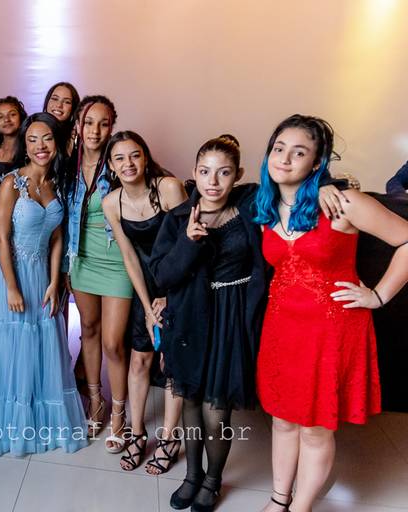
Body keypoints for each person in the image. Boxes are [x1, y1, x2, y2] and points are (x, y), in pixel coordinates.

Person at [255, 115, 408, 512]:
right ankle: (278, 500)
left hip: (330, 330)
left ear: (316, 161)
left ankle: (301, 506)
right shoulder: (264, 204)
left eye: (299, 152)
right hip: (281, 329)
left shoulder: (344, 203)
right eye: (279, 149)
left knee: (314, 429)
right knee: (282, 420)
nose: (285, 159)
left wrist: (379, 295)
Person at [150, 135, 267, 511]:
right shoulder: (178, 218)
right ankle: (192, 475)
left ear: (238, 175)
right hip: (190, 319)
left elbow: (293, 181)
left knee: (217, 410)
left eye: (223, 172)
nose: (213, 181)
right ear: (194, 173)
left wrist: (328, 185)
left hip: (231, 319)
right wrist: (188, 242)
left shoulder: (249, 209)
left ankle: (213, 480)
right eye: (205, 171)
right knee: (190, 400)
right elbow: (162, 276)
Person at [0, 112, 88, 456]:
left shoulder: (57, 183)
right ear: (25, 144)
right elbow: (1, 238)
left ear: (57, 143)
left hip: (41, 273)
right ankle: (12, 426)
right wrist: (11, 286)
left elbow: (57, 237)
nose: (41, 146)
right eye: (33, 139)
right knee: (14, 342)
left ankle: (41, 421)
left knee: (42, 340)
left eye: (47, 138)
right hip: (10, 271)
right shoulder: (11, 183)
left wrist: (54, 282)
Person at [100, 131, 187, 473]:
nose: (128, 163)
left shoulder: (169, 188)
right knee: (139, 359)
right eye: (119, 158)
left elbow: (187, 246)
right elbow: (129, 257)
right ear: (111, 166)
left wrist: (168, 296)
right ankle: (137, 433)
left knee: (172, 364)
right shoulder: (112, 203)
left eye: (135, 155)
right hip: (146, 286)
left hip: (179, 282)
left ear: (145, 157)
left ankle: (169, 439)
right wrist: (148, 305)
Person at [60, 95, 131, 453]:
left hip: (116, 261)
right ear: (78, 125)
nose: (95, 130)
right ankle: (95, 402)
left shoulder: (119, 163)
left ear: (111, 127)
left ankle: (119, 412)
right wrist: (64, 267)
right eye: (89, 122)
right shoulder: (65, 166)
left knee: (113, 342)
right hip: (81, 259)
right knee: (88, 329)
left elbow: (153, 191)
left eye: (104, 123)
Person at [0, 96, 27, 180]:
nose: (6, 119)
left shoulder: (29, 151)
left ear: (21, 118)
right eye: (0, 117)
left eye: (12, 114)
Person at [43, 82, 80, 156]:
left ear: (73, 108)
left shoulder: (78, 136)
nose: (59, 105)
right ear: (47, 102)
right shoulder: (32, 127)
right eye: (55, 99)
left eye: (67, 102)